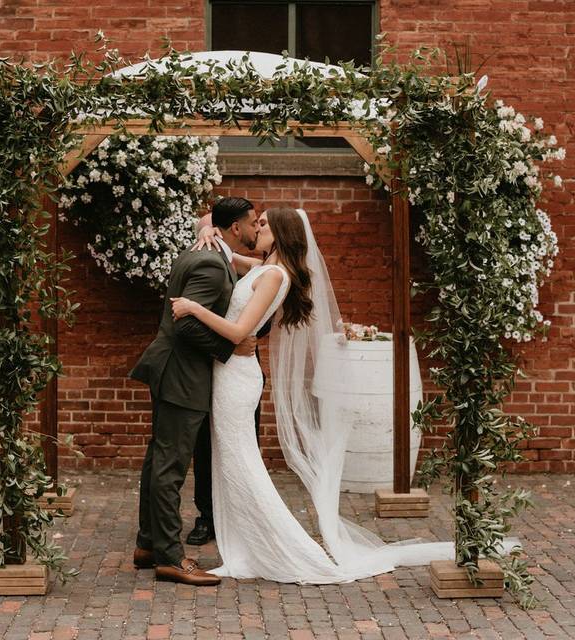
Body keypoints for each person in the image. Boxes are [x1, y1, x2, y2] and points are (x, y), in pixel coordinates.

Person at [169, 207, 459, 583]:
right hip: (227, 375)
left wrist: (193, 308)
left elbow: (240, 332)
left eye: (263, 225)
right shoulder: (263, 267)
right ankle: (243, 545)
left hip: (238, 378)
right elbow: (228, 254)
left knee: (242, 465)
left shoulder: (275, 275)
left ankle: (279, 548)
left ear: (282, 235)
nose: (257, 228)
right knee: (228, 463)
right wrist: (211, 234)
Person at [128, 197, 259, 586]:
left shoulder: (209, 252)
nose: (254, 230)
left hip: (173, 370)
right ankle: (169, 557)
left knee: (159, 459)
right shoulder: (209, 263)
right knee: (170, 466)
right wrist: (230, 347)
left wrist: (207, 227)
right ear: (235, 227)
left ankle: (149, 543)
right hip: (181, 374)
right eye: (252, 223)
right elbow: (184, 323)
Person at [186, 212, 272, 547]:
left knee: (242, 441)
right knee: (205, 444)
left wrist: (244, 338)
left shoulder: (262, 266)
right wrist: (206, 229)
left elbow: (263, 317)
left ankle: (242, 515)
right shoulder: (206, 257)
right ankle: (207, 516)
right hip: (205, 364)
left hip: (241, 363)